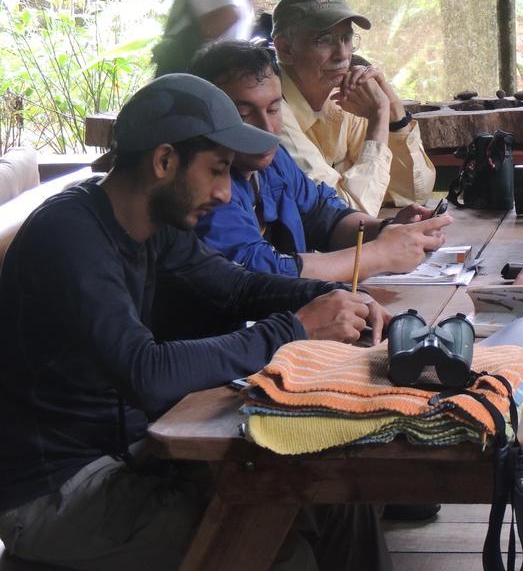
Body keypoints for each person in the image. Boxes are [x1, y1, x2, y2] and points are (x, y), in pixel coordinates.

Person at [0, 74, 392, 570]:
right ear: (165, 162)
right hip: (55, 489)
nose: (227, 193)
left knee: (335, 497)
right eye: (218, 170)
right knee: (278, 556)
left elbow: (238, 288)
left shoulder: (151, 224)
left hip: (133, 452)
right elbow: (146, 370)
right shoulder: (71, 236)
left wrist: (335, 297)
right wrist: (294, 330)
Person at [189, 40, 452, 281]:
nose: (267, 128)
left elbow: (322, 215)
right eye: (245, 114)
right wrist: (378, 255)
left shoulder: (274, 160)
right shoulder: (205, 185)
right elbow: (257, 271)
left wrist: (387, 230)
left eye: (273, 109)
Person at [271, 0, 435, 216]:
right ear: (286, 49)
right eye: (325, 40)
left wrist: (394, 112)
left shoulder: (348, 95)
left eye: (346, 38)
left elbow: (411, 193)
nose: (343, 54)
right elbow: (344, 214)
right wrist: (379, 116)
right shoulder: (269, 110)